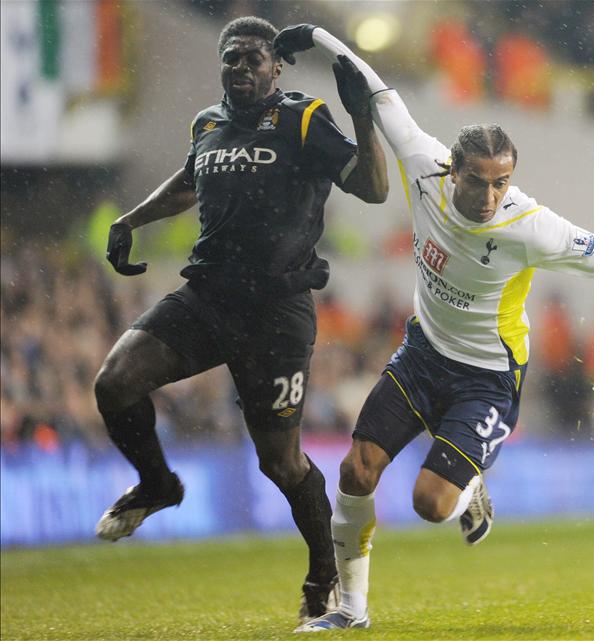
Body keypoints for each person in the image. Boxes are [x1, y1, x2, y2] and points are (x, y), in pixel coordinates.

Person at [273, 24, 594, 632]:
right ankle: (351, 611)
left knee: (428, 504)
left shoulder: (531, 227)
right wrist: (315, 36)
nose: (492, 194)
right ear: (454, 170)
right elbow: (379, 90)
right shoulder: (422, 163)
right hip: (421, 354)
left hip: (487, 379)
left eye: (502, 181)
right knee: (355, 471)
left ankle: (467, 489)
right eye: (480, 180)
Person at [92, 16, 387, 623]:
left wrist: (363, 117)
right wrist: (131, 220)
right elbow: (188, 181)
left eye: (254, 59)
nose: (242, 69)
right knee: (115, 381)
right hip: (209, 299)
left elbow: (374, 188)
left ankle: (323, 579)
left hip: (277, 313)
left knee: (279, 462)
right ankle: (158, 485)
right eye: (232, 59)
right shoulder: (206, 124)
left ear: (276, 66)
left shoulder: (305, 120)